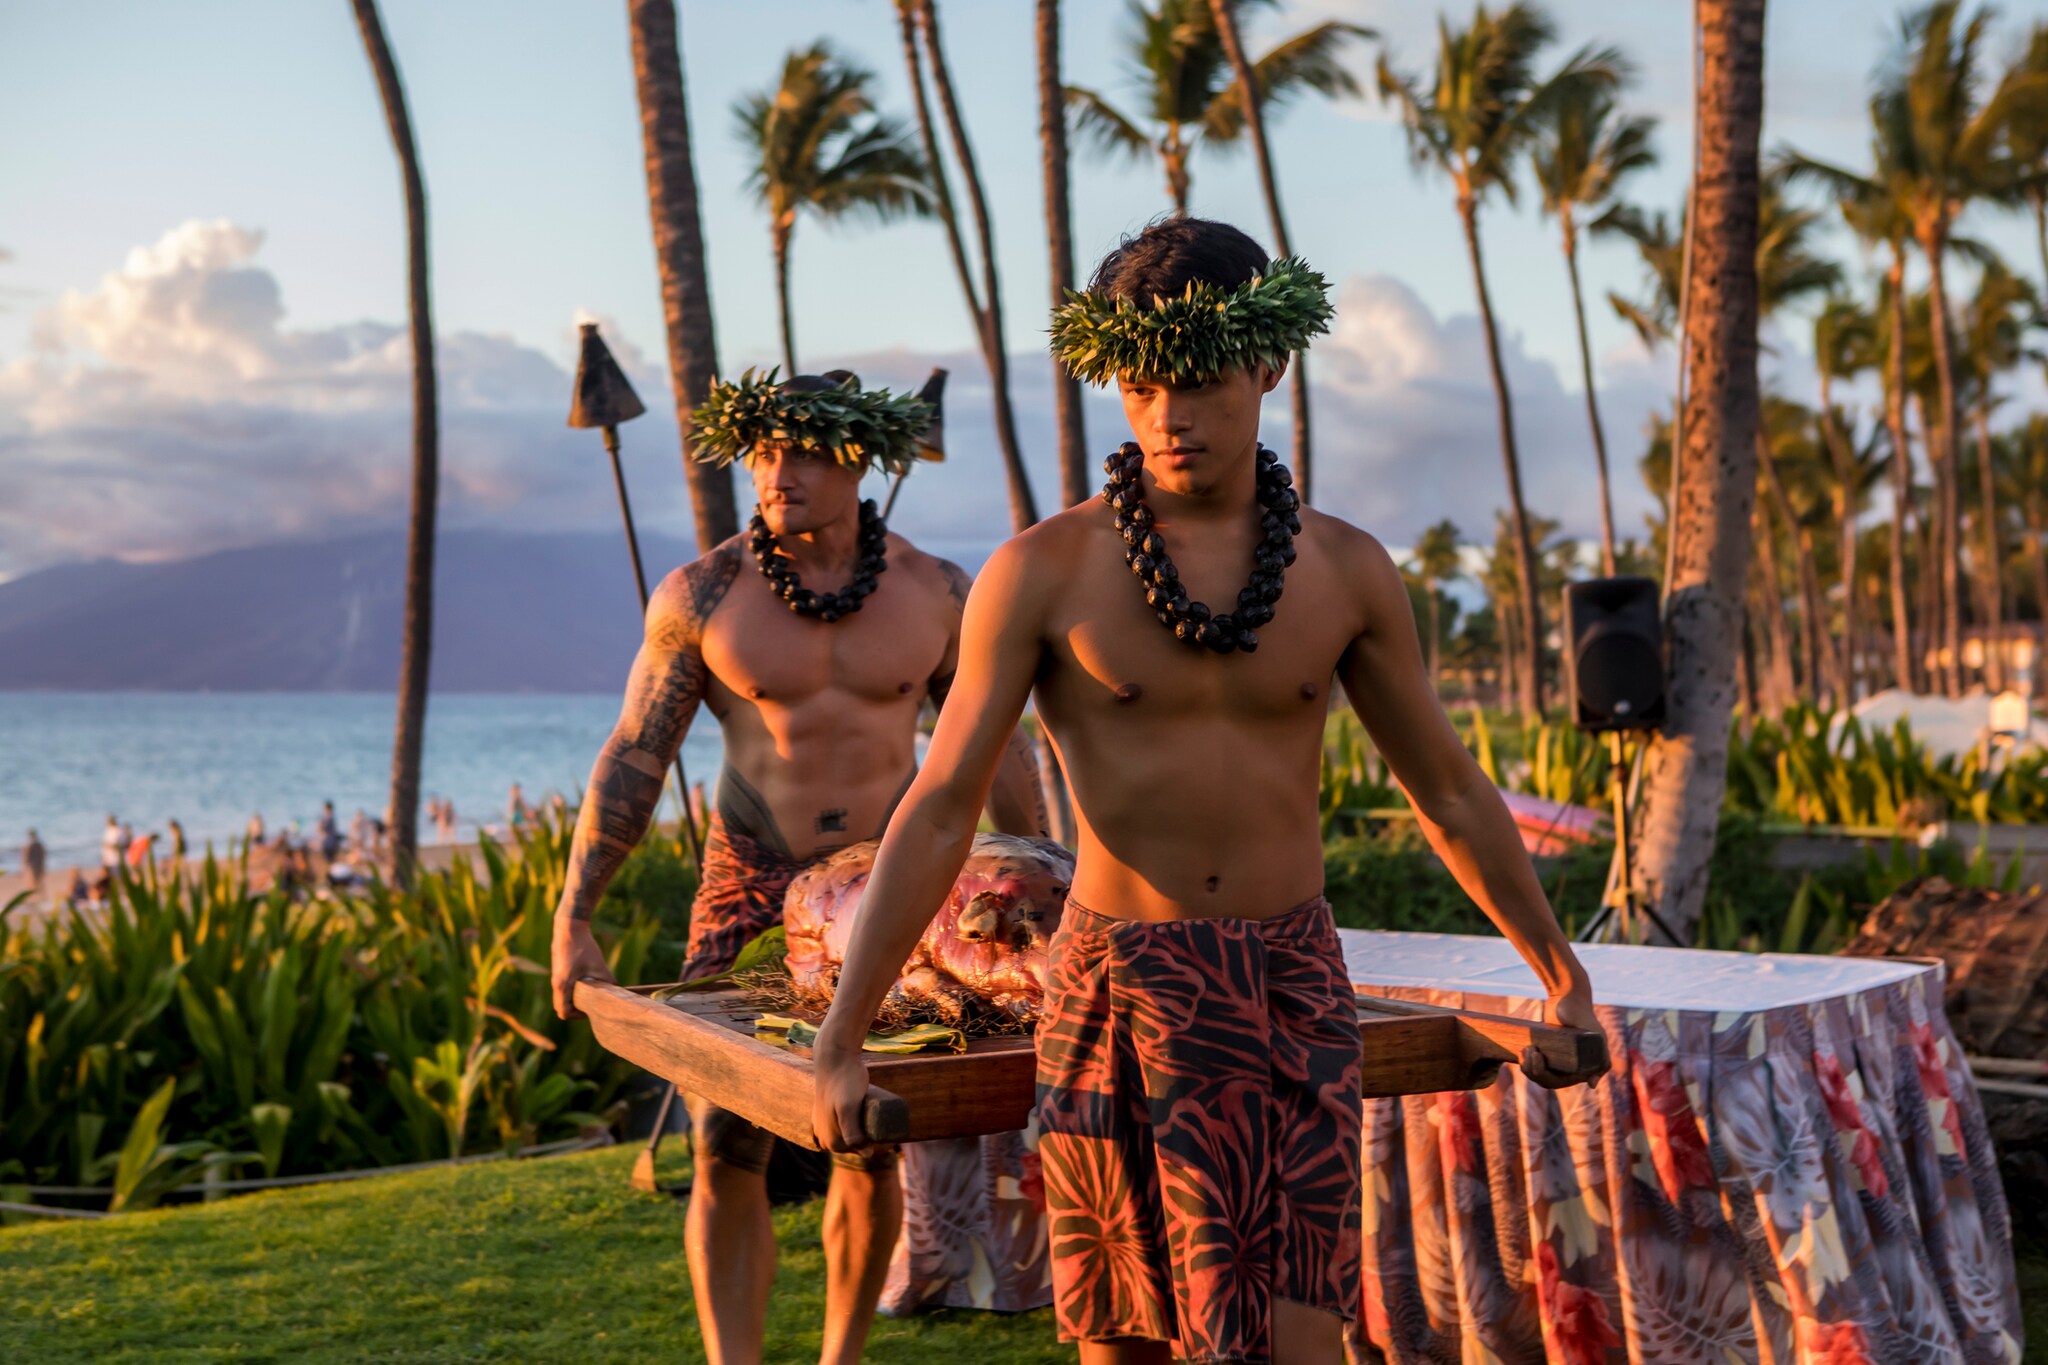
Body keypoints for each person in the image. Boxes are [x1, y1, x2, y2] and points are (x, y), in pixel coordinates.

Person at [810, 220, 1609, 1365]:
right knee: (1124, 1342)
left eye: (1196, 382)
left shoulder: (1345, 570)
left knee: (1298, 1342)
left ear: (1267, 364)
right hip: (1116, 985)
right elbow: (941, 804)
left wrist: (1559, 974)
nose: (1167, 416)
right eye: (1139, 386)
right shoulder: (1043, 570)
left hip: (1291, 982)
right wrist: (842, 1036)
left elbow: (1446, 789)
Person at [551, 369, 1050, 1365]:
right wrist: (575, 914)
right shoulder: (704, 595)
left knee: (862, 1141)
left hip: (886, 889)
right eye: (763, 452)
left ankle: (841, 1357)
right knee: (722, 1144)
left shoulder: (937, 592)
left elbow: (994, 743)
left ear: (859, 462)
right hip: (747, 879)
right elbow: (635, 753)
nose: (776, 473)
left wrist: (1033, 883)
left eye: (804, 454)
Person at [21, 829, 46, 897]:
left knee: (33, 881)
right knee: (38, 881)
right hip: (39, 865)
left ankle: (36, 896)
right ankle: (41, 895)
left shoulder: (29, 845)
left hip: (33, 865)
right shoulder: (39, 845)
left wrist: (23, 865)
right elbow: (43, 855)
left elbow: (26, 857)